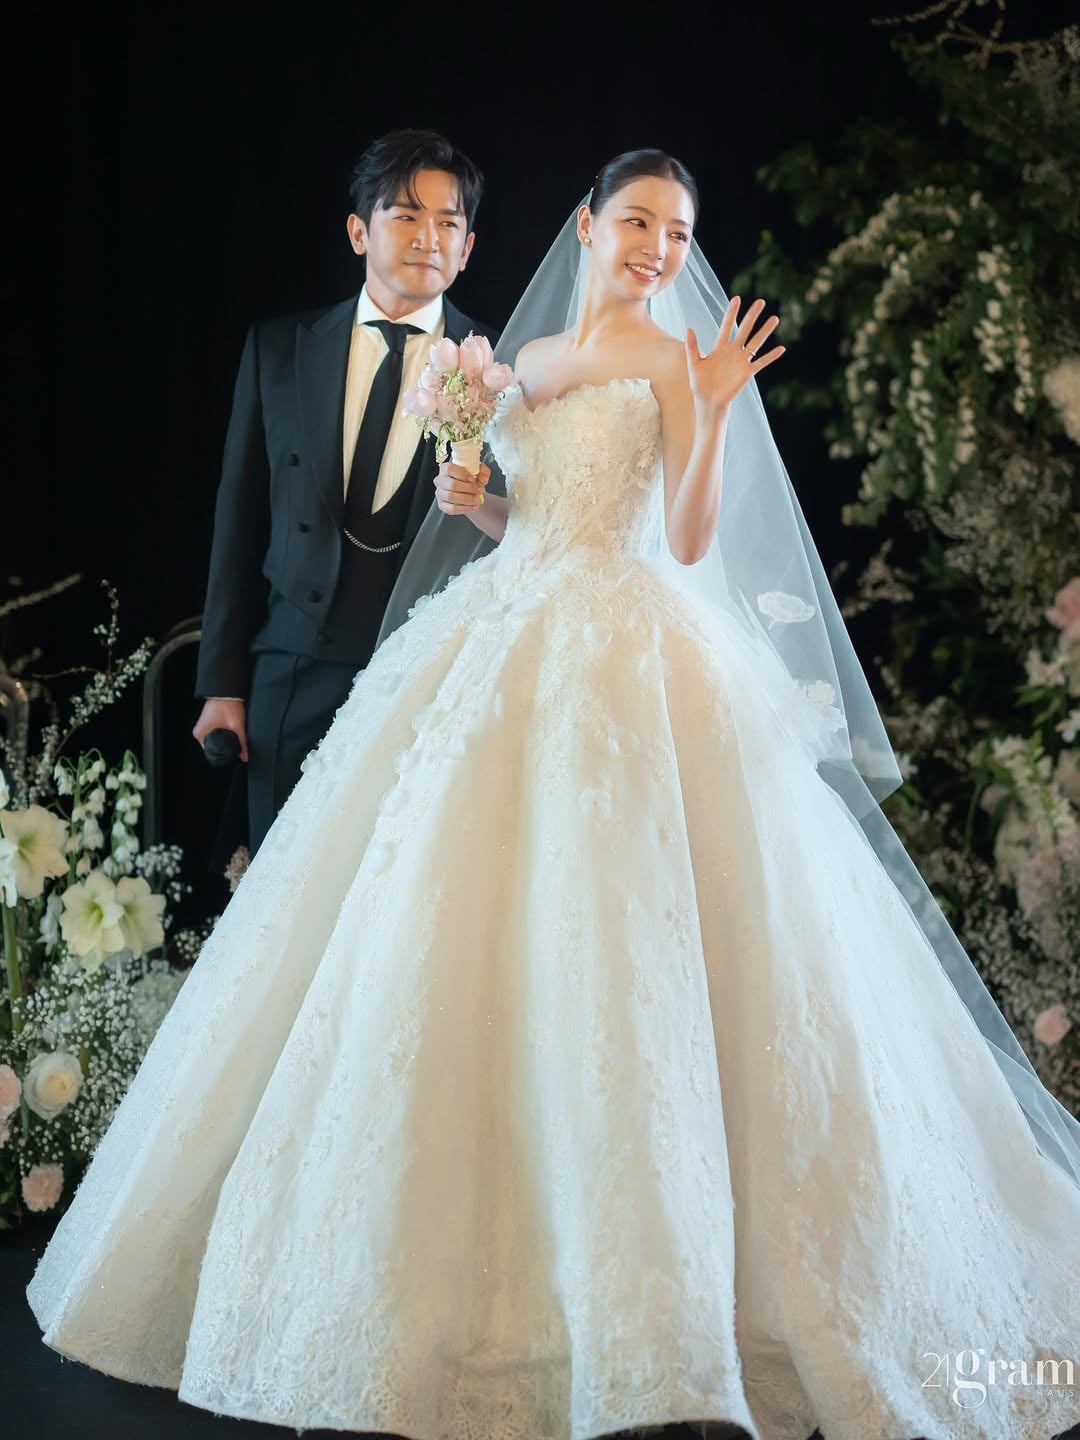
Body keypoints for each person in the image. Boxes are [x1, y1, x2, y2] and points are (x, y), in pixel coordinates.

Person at [27, 151, 1080, 1440]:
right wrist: (478, 497)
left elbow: (686, 540)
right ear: (587, 226)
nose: (656, 247)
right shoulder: (518, 364)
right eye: (637, 221)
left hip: (624, 654)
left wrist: (712, 407)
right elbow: (521, 515)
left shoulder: (673, 361)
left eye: (676, 232)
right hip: (504, 626)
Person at [191, 128, 498, 854]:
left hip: (428, 677)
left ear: (467, 248)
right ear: (360, 231)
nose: (427, 238)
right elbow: (238, 519)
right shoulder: (279, 348)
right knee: (281, 881)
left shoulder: (499, 367)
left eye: (447, 222)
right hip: (294, 666)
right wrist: (221, 684)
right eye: (406, 215)